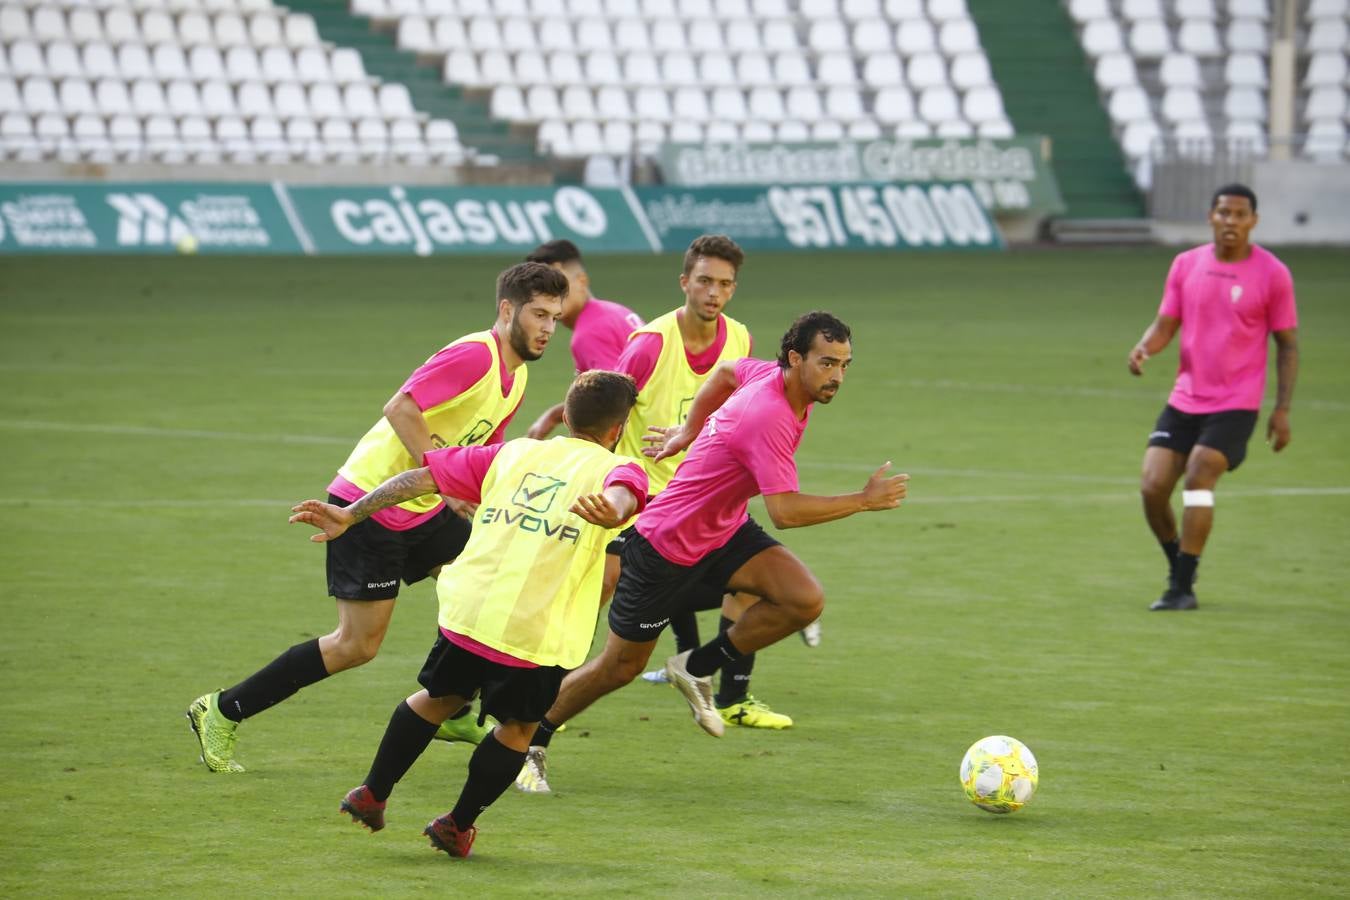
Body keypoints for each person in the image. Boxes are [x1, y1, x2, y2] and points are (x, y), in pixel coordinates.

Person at [186, 262, 569, 773]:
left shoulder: (515, 374)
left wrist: (483, 496)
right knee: (355, 646)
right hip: (367, 506)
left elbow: (486, 446)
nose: (547, 327)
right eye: (539, 314)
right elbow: (401, 407)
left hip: (427, 506)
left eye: (555, 318)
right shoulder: (475, 356)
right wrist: (443, 476)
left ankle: (453, 705)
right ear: (507, 309)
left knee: (492, 585)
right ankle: (222, 709)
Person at [519, 311, 908, 794]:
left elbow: (724, 373)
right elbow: (785, 511)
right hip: (665, 547)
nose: (837, 377)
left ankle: (696, 667)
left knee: (803, 599)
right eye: (827, 364)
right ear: (795, 358)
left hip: (724, 532)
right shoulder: (768, 416)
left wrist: (687, 430)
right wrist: (863, 501)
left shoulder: (772, 376)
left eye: (844, 365)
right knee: (618, 667)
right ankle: (529, 739)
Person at [292, 371, 647, 858]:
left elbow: (420, 477)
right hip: (534, 632)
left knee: (437, 697)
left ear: (565, 416)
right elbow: (625, 492)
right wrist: (612, 509)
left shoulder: (512, 452)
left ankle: (372, 792)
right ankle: (456, 826)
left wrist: (352, 513)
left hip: (470, 613)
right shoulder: (619, 469)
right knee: (517, 730)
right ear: (618, 429)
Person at [1127, 184, 1299, 611]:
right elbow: (1166, 323)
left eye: (1240, 215)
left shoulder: (1273, 273)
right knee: (1152, 488)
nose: (1231, 221)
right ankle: (1181, 563)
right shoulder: (1186, 264)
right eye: (1224, 213)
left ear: (1253, 221)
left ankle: (1181, 589)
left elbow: (1288, 345)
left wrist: (1281, 409)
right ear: (1211, 217)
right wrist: (1145, 347)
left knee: (1199, 477)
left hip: (1236, 403)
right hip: (1185, 398)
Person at [521, 239, 645, 440]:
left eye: (560, 286)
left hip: (641, 446)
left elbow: (610, 402)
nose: (553, 296)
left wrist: (554, 417)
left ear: (582, 281)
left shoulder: (590, 333)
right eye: (544, 289)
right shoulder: (614, 311)